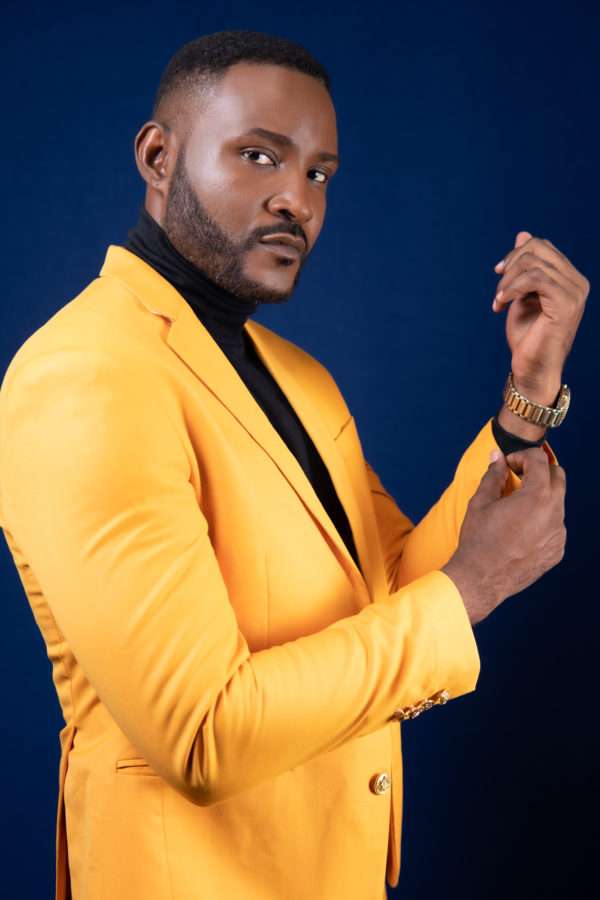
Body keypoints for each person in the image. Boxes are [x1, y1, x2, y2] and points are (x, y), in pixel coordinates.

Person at [0, 29, 589, 900]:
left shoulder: (300, 378)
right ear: (158, 157)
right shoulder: (85, 372)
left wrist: (525, 399)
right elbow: (203, 732)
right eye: (259, 156)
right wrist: (471, 592)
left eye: (319, 174)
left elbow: (394, 586)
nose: (297, 201)